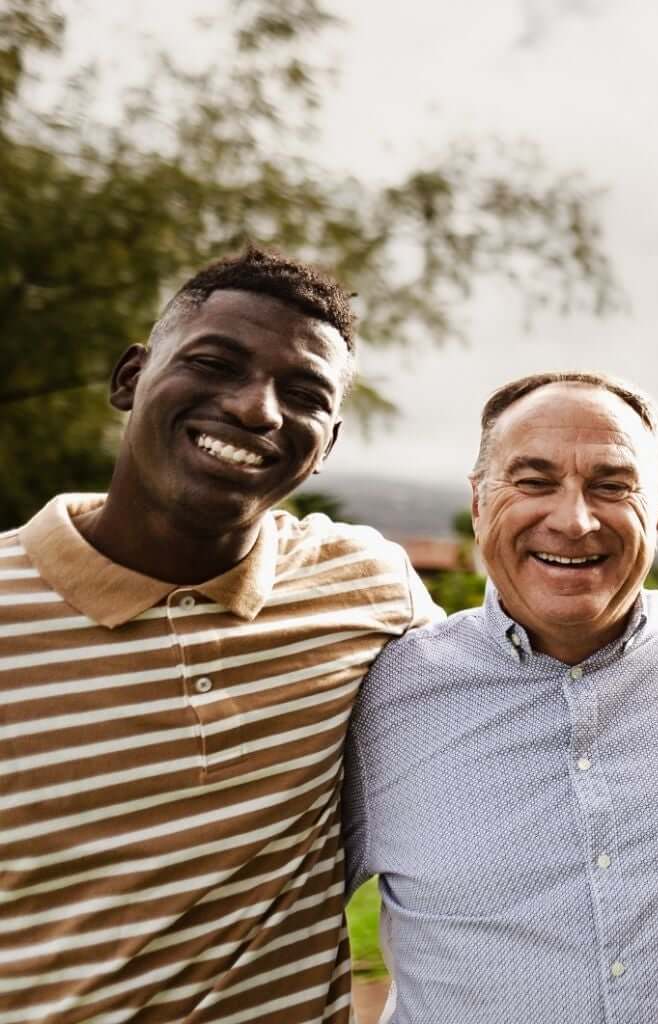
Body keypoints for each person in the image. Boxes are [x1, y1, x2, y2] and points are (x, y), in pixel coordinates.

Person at [0, 249, 435, 1023]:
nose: (256, 409)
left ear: (326, 446)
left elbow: (519, 686)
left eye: (303, 395)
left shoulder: (367, 588)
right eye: (215, 362)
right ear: (130, 379)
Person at [342, 371, 658, 1022]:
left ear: (657, 514)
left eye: (612, 485)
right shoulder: (380, 698)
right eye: (533, 482)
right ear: (477, 502)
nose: (575, 521)